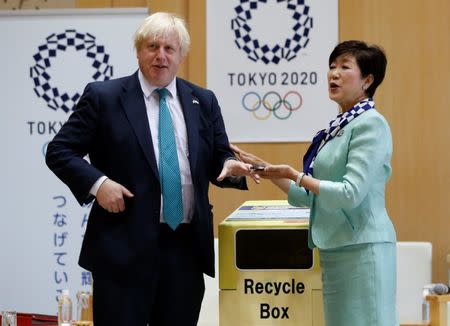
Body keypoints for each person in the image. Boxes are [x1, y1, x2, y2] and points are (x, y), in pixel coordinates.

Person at [46, 12, 252, 326]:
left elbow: (219, 156)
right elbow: (59, 150)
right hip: (122, 250)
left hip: (184, 251)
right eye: (152, 46)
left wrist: (228, 165)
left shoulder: (203, 100)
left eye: (170, 48)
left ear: (181, 54)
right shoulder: (105, 97)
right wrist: (99, 184)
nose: (161, 55)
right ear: (139, 51)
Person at [232, 40, 398, 326]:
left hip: (362, 249)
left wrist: (295, 174)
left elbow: (349, 193)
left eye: (344, 67)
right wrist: (269, 169)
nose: (333, 74)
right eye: (332, 67)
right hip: (335, 249)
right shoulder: (339, 128)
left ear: (367, 80)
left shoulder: (371, 124)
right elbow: (310, 197)